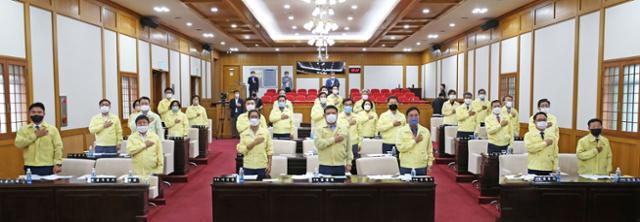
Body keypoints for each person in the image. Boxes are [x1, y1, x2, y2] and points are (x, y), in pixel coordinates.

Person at [15, 102, 63, 176]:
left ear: (44, 114)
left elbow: (58, 147)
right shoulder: (23, 130)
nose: (36, 114)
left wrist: (57, 164)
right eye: (33, 112)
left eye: (39, 112)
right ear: (29, 114)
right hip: (29, 166)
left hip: (48, 166)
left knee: (47, 187)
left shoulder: (52, 129)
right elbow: (18, 144)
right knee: (31, 187)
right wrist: (35, 135)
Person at [314, 105, 353, 176]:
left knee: (340, 186)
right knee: (325, 187)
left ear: (337, 114)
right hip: (325, 165)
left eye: (333, 113)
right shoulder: (319, 129)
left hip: (340, 165)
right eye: (328, 113)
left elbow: (349, 148)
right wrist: (334, 139)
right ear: (324, 115)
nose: (331, 115)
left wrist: (349, 163)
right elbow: (319, 144)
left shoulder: (344, 128)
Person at [395, 107, 434, 175]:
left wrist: (429, 163)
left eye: (416, 115)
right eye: (411, 115)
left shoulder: (425, 131)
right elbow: (400, 148)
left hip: (421, 165)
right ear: (407, 117)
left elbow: (429, 149)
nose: (414, 118)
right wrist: (414, 141)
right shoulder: (401, 131)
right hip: (406, 165)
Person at [236, 110, 273, 180]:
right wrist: (253, 143)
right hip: (248, 166)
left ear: (259, 119)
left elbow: (269, 150)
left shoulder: (265, 133)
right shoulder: (244, 133)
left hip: (262, 166)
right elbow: (240, 150)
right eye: (252, 117)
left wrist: (269, 165)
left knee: (262, 189)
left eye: (256, 117)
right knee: (249, 189)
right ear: (249, 119)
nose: (254, 119)